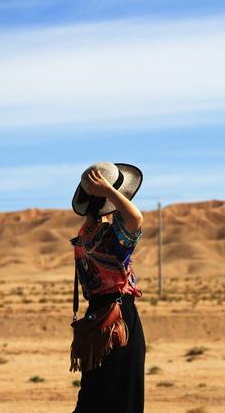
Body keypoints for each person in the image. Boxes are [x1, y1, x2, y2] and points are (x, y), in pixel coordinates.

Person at [70, 162, 145, 413]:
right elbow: (136, 218)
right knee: (124, 394)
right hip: (119, 320)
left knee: (94, 395)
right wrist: (110, 192)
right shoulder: (108, 237)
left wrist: (101, 195)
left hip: (95, 321)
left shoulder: (82, 237)